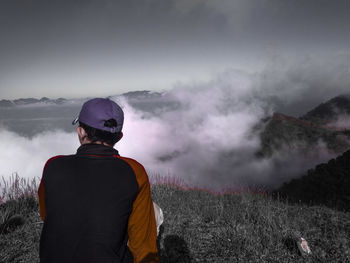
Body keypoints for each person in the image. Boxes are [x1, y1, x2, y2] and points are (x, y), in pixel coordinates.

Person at [37, 98, 159, 263]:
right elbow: (143, 246)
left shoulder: (52, 165)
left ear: (81, 131)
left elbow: (46, 215)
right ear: (119, 137)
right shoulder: (134, 172)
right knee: (155, 211)